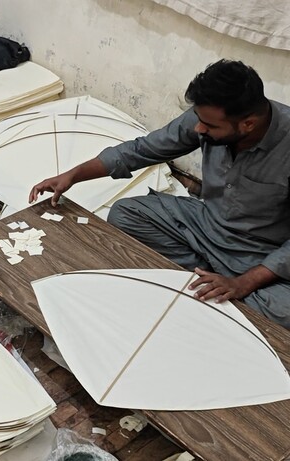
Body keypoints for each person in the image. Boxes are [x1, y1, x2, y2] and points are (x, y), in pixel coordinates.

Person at [29, 60, 290, 328]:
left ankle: (220, 291)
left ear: (248, 124)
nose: (199, 129)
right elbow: (144, 149)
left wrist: (244, 283)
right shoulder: (207, 117)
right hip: (206, 224)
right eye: (199, 120)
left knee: (284, 311)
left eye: (209, 127)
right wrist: (74, 175)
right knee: (126, 214)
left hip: (260, 251)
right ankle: (206, 280)